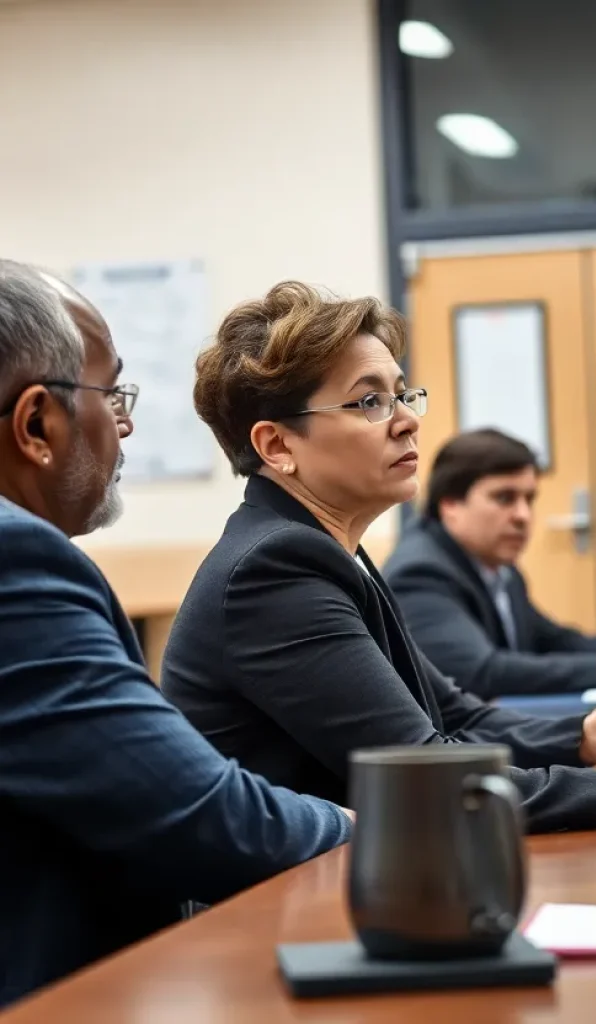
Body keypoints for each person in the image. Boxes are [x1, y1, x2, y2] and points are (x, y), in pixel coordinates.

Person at [161, 282, 596, 836]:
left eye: (401, 394)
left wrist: (583, 735)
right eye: (370, 402)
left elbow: (454, 715)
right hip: (273, 909)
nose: (407, 421)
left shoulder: (327, 548)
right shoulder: (274, 571)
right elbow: (419, 772)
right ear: (277, 446)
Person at [0, 262, 351, 1009]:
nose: (125, 424)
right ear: (36, 424)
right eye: (112, 394)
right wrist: (371, 824)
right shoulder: (16, 565)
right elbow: (203, 818)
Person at [383, 429, 596, 699]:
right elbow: (479, 672)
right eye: (504, 498)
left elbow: (550, 639)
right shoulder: (420, 574)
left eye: (529, 499)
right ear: (450, 504)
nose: (523, 515)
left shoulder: (496, 566)